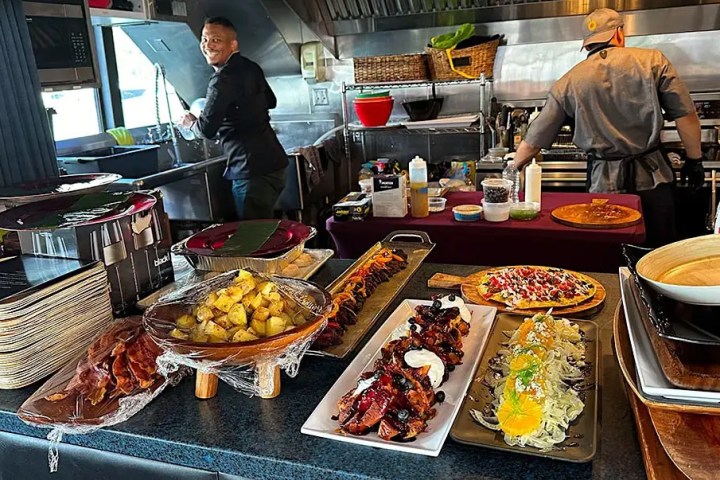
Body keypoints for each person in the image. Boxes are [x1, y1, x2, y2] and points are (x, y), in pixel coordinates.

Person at [512, 8, 704, 247]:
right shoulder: (654, 61)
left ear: (587, 45)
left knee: (611, 253)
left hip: (603, 188)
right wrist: (695, 160)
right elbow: (686, 115)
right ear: (619, 35)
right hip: (653, 179)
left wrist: (512, 168)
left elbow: (534, 140)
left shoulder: (567, 82)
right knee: (657, 253)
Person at [180, 16, 287, 220]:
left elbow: (206, 130)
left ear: (233, 44)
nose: (208, 45)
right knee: (266, 232)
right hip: (275, 165)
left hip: (251, 170)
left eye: (216, 40)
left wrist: (191, 122)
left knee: (254, 239)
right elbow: (270, 101)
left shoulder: (222, 80)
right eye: (204, 39)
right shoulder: (251, 67)